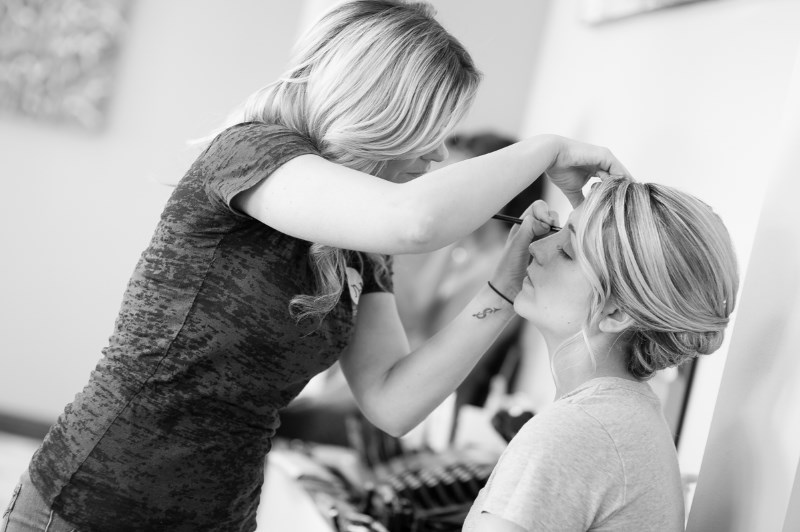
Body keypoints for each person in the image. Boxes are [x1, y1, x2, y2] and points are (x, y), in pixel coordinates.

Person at [1, 1, 630, 531]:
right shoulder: (251, 154)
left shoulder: (362, 245)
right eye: (431, 128)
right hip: (95, 503)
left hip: (221, 515)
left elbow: (393, 400)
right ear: (383, 112)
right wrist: (547, 150)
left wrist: (507, 280)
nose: (439, 153)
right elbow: (415, 221)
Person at [462, 176, 739, 532]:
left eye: (567, 252)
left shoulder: (572, 434)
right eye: (557, 232)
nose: (536, 248)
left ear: (616, 313)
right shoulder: (623, 418)